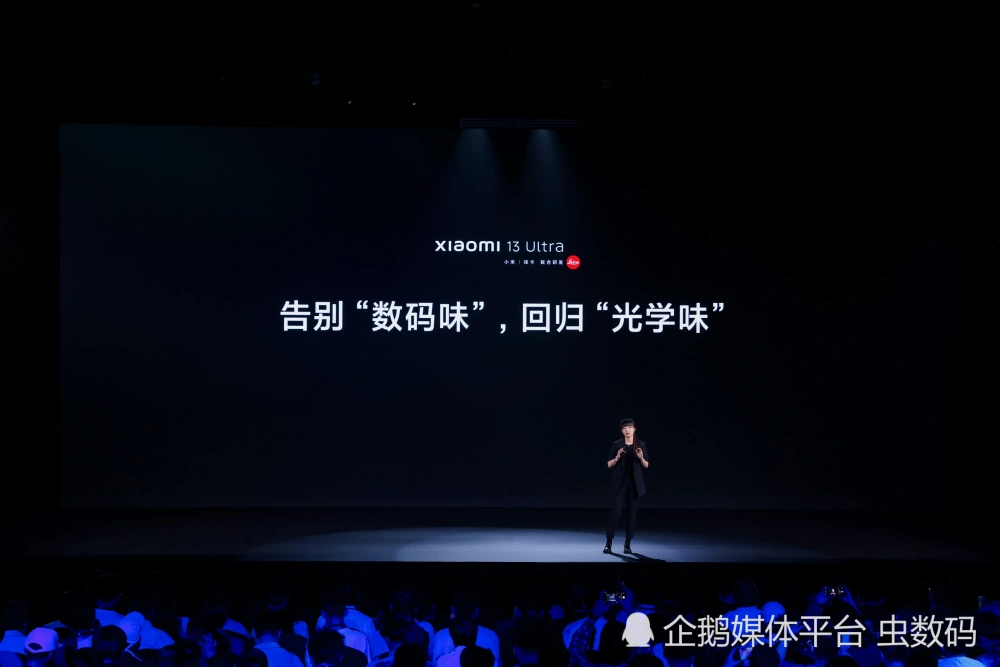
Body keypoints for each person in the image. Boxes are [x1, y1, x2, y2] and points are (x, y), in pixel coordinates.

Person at [604, 418, 649, 554]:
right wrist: (617, 457)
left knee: (631, 514)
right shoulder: (617, 444)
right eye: (624, 428)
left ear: (634, 429)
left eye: (630, 427)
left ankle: (627, 544)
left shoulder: (640, 444)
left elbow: (646, 465)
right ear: (622, 430)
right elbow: (609, 465)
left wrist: (641, 457)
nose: (627, 430)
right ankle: (608, 543)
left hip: (634, 483)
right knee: (615, 512)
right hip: (620, 482)